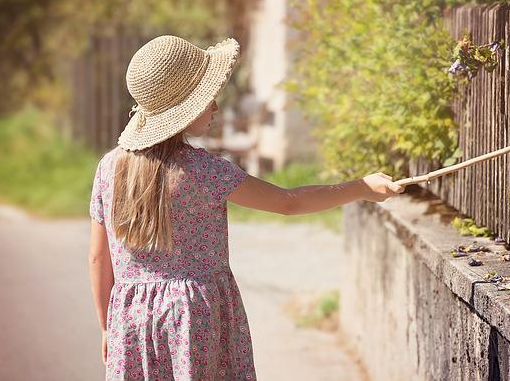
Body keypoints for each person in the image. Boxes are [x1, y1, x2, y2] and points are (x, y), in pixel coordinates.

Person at [88, 35, 405, 381]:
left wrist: (107, 325)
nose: (216, 108)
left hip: (129, 318)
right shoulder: (204, 172)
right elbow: (288, 202)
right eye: (208, 98)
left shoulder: (109, 168)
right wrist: (360, 187)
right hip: (194, 319)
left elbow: (97, 257)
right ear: (185, 109)